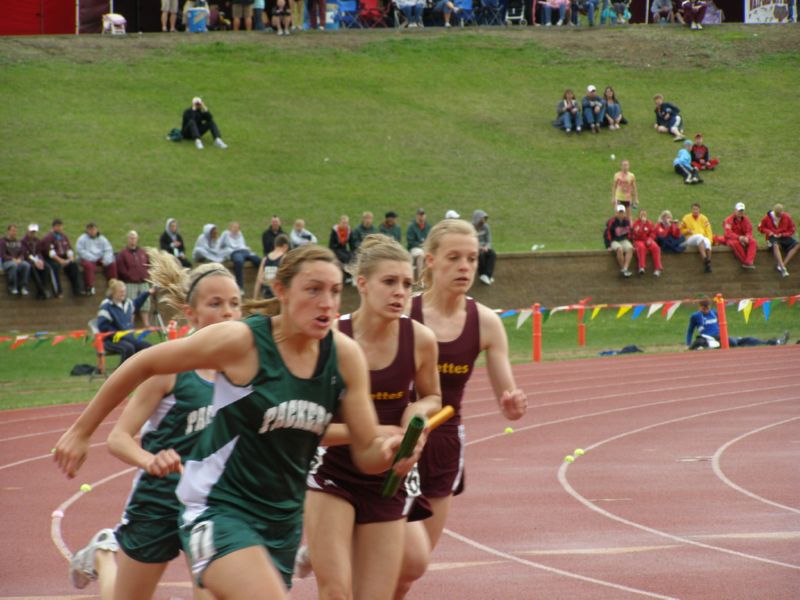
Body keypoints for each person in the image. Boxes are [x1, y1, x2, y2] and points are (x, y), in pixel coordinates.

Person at [52, 245, 418, 600]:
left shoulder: (344, 356)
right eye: (313, 290)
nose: (327, 303)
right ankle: (105, 553)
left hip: (281, 519)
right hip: (219, 507)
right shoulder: (242, 342)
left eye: (336, 291)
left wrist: (394, 450)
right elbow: (144, 363)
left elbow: (368, 453)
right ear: (281, 291)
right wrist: (81, 431)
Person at [68, 252, 240, 600]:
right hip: (159, 499)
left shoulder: (243, 370)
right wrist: (150, 461)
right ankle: (103, 554)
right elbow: (119, 438)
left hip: (211, 502)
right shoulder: (170, 368)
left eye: (236, 303)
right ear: (190, 313)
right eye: (216, 303)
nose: (228, 312)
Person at [301, 235, 442, 600]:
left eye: (408, 284)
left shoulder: (421, 340)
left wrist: (416, 416)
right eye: (390, 282)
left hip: (387, 476)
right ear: (362, 284)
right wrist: (370, 434)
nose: (400, 292)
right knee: (336, 591)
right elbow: (308, 426)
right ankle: (316, 547)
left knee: (390, 582)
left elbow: (432, 396)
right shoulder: (330, 339)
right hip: (333, 471)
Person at [399, 218, 527, 598]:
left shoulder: (485, 322)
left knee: (410, 570)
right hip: (394, 443)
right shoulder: (403, 311)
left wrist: (513, 404)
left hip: (443, 447)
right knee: (389, 555)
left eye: (472, 258)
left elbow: (508, 398)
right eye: (454, 258)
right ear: (431, 262)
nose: (465, 267)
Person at [686, 298, 789, 350]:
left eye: (708, 307)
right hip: (710, 338)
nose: (706, 310)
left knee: (746, 339)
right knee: (733, 343)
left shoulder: (714, 313)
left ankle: (775, 342)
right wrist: (688, 344)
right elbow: (690, 331)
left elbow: (721, 325)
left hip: (721, 336)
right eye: (704, 308)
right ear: (700, 307)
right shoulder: (695, 316)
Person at [97, 279, 155, 364]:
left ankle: (146, 369)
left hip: (128, 338)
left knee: (148, 347)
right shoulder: (106, 306)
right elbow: (103, 327)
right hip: (112, 340)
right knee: (128, 348)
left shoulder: (128, 303)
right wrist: (118, 334)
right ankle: (121, 372)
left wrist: (148, 292)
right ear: (113, 293)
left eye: (124, 291)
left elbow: (137, 302)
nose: (123, 294)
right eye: (120, 292)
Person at [117, 231, 153, 327]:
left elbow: (148, 264)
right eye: (131, 238)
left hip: (143, 281)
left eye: (134, 238)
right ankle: (130, 324)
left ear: (137, 239)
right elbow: (121, 268)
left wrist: (147, 275)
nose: (132, 240)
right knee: (131, 305)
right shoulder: (123, 253)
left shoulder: (142, 252)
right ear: (127, 239)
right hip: (130, 282)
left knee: (146, 304)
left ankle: (146, 324)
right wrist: (128, 276)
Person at [40, 218, 82, 297]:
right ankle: (58, 291)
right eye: (58, 226)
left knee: (74, 265)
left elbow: (69, 249)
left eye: (61, 226)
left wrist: (70, 258)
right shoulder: (48, 237)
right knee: (55, 267)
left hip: (63, 256)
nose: (60, 228)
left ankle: (77, 290)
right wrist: (61, 261)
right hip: (50, 258)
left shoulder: (63, 236)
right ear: (54, 227)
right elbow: (51, 253)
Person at [76, 222, 118, 296]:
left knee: (111, 263)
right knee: (88, 266)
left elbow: (108, 250)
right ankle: (90, 286)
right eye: (90, 230)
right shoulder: (82, 239)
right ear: (87, 230)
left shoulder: (102, 239)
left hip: (100, 258)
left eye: (93, 229)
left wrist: (106, 260)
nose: (92, 231)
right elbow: (80, 251)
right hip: (88, 258)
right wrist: (93, 258)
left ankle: (113, 285)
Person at [758, 203, 798, 278]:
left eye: (781, 213)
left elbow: (792, 229)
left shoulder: (786, 217)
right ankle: (783, 268)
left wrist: (783, 234)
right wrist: (768, 232)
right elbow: (760, 228)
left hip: (783, 236)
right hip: (772, 236)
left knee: (797, 244)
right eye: (778, 214)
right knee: (775, 245)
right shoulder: (767, 218)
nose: (780, 215)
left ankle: (782, 265)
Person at [220, 222, 261, 291]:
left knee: (258, 260)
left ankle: (264, 284)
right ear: (230, 228)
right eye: (234, 227)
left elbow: (243, 245)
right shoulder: (225, 234)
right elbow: (219, 245)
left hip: (244, 251)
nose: (235, 229)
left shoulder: (239, 234)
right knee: (239, 262)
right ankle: (240, 287)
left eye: (237, 228)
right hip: (234, 252)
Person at [21, 223, 55, 299]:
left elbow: (39, 252)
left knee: (47, 268)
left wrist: (40, 260)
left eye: (34, 232)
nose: (33, 234)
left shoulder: (37, 241)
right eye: (31, 232)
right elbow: (25, 254)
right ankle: (42, 290)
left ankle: (43, 290)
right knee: (32, 269)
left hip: (37, 260)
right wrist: (35, 261)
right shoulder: (23, 241)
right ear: (27, 231)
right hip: (28, 261)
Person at [680, 202, 713, 273]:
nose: (695, 211)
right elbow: (680, 230)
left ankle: (708, 264)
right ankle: (704, 258)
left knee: (707, 242)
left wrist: (710, 240)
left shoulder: (704, 218)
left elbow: (709, 231)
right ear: (691, 210)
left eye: (696, 209)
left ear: (699, 210)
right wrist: (686, 231)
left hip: (701, 239)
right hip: (690, 238)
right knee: (699, 237)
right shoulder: (686, 218)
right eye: (694, 209)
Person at [253, 234, 290, 299]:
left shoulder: (265, 259)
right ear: (285, 246)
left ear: (275, 245)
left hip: (266, 295)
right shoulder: (284, 258)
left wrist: (254, 298)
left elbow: (259, 280)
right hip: (278, 297)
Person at [722, 202, 757, 270]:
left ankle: (749, 261)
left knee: (753, 242)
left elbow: (749, 230)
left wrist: (747, 237)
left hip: (743, 238)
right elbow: (728, 233)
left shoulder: (746, 219)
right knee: (735, 243)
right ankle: (745, 262)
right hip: (732, 239)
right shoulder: (728, 220)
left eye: (742, 211)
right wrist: (739, 237)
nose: (741, 212)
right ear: (735, 210)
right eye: (739, 211)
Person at [1, 224, 31, 296]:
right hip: (6, 263)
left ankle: (23, 286)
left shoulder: (18, 242)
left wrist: (20, 259)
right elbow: (2, 255)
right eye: (12, 231)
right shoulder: (3, 242)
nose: (14, 233)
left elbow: (22, 253)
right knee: (13, 265)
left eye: (15, 231)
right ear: (8, 231)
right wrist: (12, 259)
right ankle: (12, 287)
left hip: (17, 261)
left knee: (26, 265)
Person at [631, 210, 663, 277]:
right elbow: (635, 235)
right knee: (641, 247)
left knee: (656, 248)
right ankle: (641, 267)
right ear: (639, 215)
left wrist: (650, 239)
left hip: (648, 240)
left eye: (644, 214)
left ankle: (658, 268)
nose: (643, 215)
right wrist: (641, 225)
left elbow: (653, 233)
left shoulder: (649, 223)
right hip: (638, 240)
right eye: (642, 214)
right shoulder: (636, 223)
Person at [604, 205, 633, 277]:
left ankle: (625, 268)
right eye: (619, 212)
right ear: (616, 213)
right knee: (619, 249)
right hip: (614, 240)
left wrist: (632, 242)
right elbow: (607, 233)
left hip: (623, 240)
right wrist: (608, 245)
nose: (621, 214)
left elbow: (630, 233)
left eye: (622, 212)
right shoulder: (612, 222)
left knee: (630, 249)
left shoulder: (627, 221)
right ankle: (624, 269)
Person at [472, 210, 496, 285]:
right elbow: (469, 240)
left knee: (492, 254)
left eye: (485, 218)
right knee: (481, 255)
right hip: (474, 247)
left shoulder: (486, 227)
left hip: (484, 247)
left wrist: (486, 246)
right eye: (482, 218)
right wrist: (479, 247)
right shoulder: (470, 227)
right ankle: (482, 274)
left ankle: (487, 275)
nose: (483, 220)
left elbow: (489, 239)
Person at [328, 215, 355, 284]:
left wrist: (353, 252)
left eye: (346, 223)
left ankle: (351, 275)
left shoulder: (348, 230)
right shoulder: (335, 230)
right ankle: (347, 276)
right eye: (343, 223)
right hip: (335, 249)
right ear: (340, 222)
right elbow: (331, 244)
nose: (345, 224)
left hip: (343, 249)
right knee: (346, 258)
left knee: (351, 256)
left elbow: (351, 243)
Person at [407, 208, 431, 282]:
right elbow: (410, 241)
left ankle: (429, 279)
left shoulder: (428, 226)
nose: (421, 216)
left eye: (423, 215)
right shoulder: (412, 226)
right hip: (415, 248)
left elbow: (431, 238)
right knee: (420, 255)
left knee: (429, 255)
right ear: (417, 216)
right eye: (420, 215)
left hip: (425, 247)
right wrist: (420, 245)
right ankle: (420, 280)